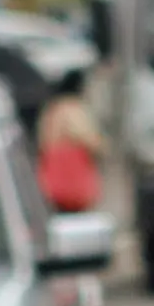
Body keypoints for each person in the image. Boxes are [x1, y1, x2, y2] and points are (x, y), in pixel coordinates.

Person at [36, 69, 105, 213]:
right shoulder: (73, 109)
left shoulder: (51, 109)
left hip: (52, 175)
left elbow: (42, 141)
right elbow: (87, 138)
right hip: (71, 177)